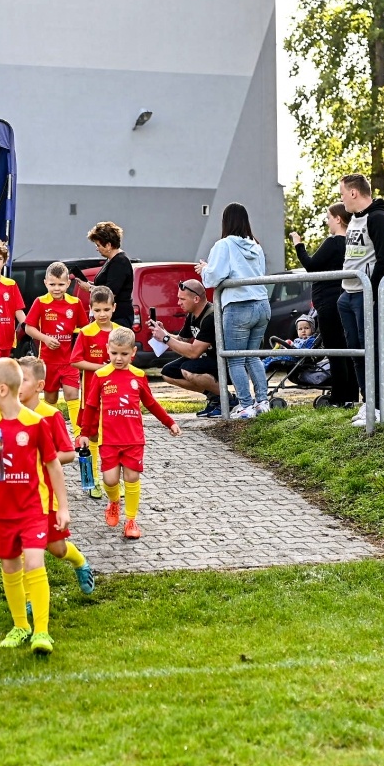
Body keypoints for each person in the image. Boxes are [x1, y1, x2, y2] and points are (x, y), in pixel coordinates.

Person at [0, 357, 68, 654]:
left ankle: (41, 631)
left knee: (35, 564)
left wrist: (62, 508)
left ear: (2, 390)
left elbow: (53, 466)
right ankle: (20, 626)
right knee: (10, 566)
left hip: (32, 509)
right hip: (2, 511)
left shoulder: (35, 423)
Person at [76, 326, 181, 540]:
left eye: (124, 354)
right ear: (107, 350)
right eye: (114, 353)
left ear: (133, 352)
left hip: (133, 439)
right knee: (110, 480)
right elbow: (91, 405)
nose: (119, 358)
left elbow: (151, 403)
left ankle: (131, 520)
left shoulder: (139, 376)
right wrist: (85, 432)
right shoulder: (100, 375)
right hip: (109, 440)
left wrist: (169, 422)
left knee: (132, 477)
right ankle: (113, 502)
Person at [18, 356, 95, 592]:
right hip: (18, 494)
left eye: (23, 380)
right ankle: (29, 599)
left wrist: (40, 459)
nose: (16, 385)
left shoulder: (51, 416)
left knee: (57, 548)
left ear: (40, 386)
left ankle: (80, 562)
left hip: (46, 493)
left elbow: (68, 454)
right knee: (23, 548)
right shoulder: (7, 414)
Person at [200, 203, 270, 420]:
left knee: (236, 359)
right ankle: (262, 401)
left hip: (239, 305)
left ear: (225, 222)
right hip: (261, 304)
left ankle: (245, 405)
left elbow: (213, 277)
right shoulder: (256, 246)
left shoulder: (224, 245)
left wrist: (204, 269)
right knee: (252, 356)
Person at [337, 173, 384, 428]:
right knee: (357, 353)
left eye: (342, 193)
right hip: (347, 294)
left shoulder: (379, 219)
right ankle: (367, 401)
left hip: (365, 294)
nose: (341, 199)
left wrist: (371, 292)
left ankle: (379, 407)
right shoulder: (354, 220)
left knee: (371, 351)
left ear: (353, 193)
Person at [290, 204, 358, 408]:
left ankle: (338, 397)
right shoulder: (351, 244)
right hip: (344, 298)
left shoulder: (334, 242)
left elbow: (311, 266)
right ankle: (351, 395)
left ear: (338, 219)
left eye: (329, 217)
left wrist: (298, 244)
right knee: (346, 349)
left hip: (328, 303)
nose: (327, 221)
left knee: (334, 350)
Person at [67, 288, 116, 498]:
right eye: (98, 310)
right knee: (92, 437)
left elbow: (129, 360)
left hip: (115, 399)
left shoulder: (119, 333)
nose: (102, 314)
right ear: (91, 310)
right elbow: (75, 360)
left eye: (106, 309)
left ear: (114, 307)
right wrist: (100, 368)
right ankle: (93, 479)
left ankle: (115, 480)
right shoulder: (86, 333)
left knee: (114, 439)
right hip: (91, 397)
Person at [25, 262, 84, 425]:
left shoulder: (75, 303)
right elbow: (29, 328)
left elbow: (84, 330)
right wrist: (45, 338)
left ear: (68, 283)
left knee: (72, 394)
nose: (56, 288)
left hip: (69, 360)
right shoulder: (40, 302)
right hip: (48, 361)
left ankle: (79, 437)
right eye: (52, 284)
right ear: (45, 283)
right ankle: (51, 431)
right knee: (50, 398)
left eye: (60, 284)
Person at [152, 279, 222, 416]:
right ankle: (215, 398)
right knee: (168, 372)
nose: (179, 303)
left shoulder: (211, 317)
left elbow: (194, 352)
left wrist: (165, 338)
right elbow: (181, 340)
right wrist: (163, 332)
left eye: (182, 299)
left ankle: (229, 400)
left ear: (196, 299)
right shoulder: (192, 314)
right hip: (206, 359)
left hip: (222, 362)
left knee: (188, 370)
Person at [78, 221, 134, 329]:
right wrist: (90, 284)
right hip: (112, 317)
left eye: (98, 245)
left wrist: (90, 288)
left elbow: (110, 292)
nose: (97, 248)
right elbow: (105, 285)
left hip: (119, 317)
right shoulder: (111, 260)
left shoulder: (120, 262)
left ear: (108, 245)